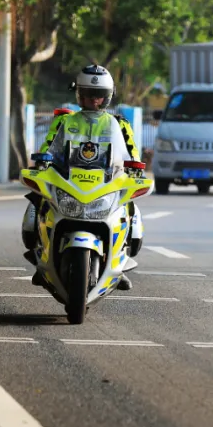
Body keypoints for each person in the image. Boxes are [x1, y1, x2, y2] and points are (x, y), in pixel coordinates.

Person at [21, 64, 142, 290]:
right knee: (36, 202)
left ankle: (120, 263)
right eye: (88, 94)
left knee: (129, 208)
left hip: (105, 180)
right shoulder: (64, 121)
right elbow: (49, 146)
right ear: (79, 93)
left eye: (99, 96)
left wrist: (135, 168)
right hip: (68, 178)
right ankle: (41, 258)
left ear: (108, 97)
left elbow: (132, 153)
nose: (93, 100)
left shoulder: (119, 123)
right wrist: (42, 161)